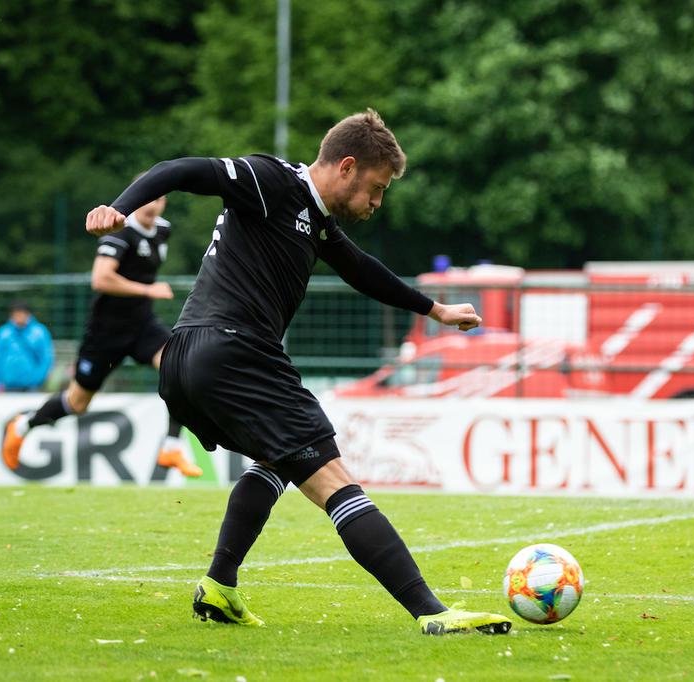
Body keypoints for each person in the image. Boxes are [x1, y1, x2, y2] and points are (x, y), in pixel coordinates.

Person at [84, 109, 511, 634]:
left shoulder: (315, 219)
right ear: (347, 166)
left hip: (186, 358)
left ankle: (219, 586)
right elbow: (181, 168)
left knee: (274, 458)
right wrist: (120, 209)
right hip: (236, 354)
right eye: (376, 189)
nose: (377, 203)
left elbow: (359, 268)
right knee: (334, 479)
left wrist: (435, 310)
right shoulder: (272, 181)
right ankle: (433, 611)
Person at [1, 189, 201, 477]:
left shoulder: (163, 230)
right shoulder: (120, 231)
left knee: (178, 368)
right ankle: (22, 425)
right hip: (106, 332)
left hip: (143, 325)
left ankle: (170, 447)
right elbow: (100, 278)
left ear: (163, 202)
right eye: (147, 198)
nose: (152, 205)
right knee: (76, 403)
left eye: (157, 199)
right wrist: (148, 289)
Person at [0, 301, 54, 392]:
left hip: (32, 386)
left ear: (28, 314)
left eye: (21, 314)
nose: (18, 318)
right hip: (7, 385)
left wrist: (38, 379)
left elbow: (47, 358)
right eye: (16, 315)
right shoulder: (4, 332)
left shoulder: (39, 332)